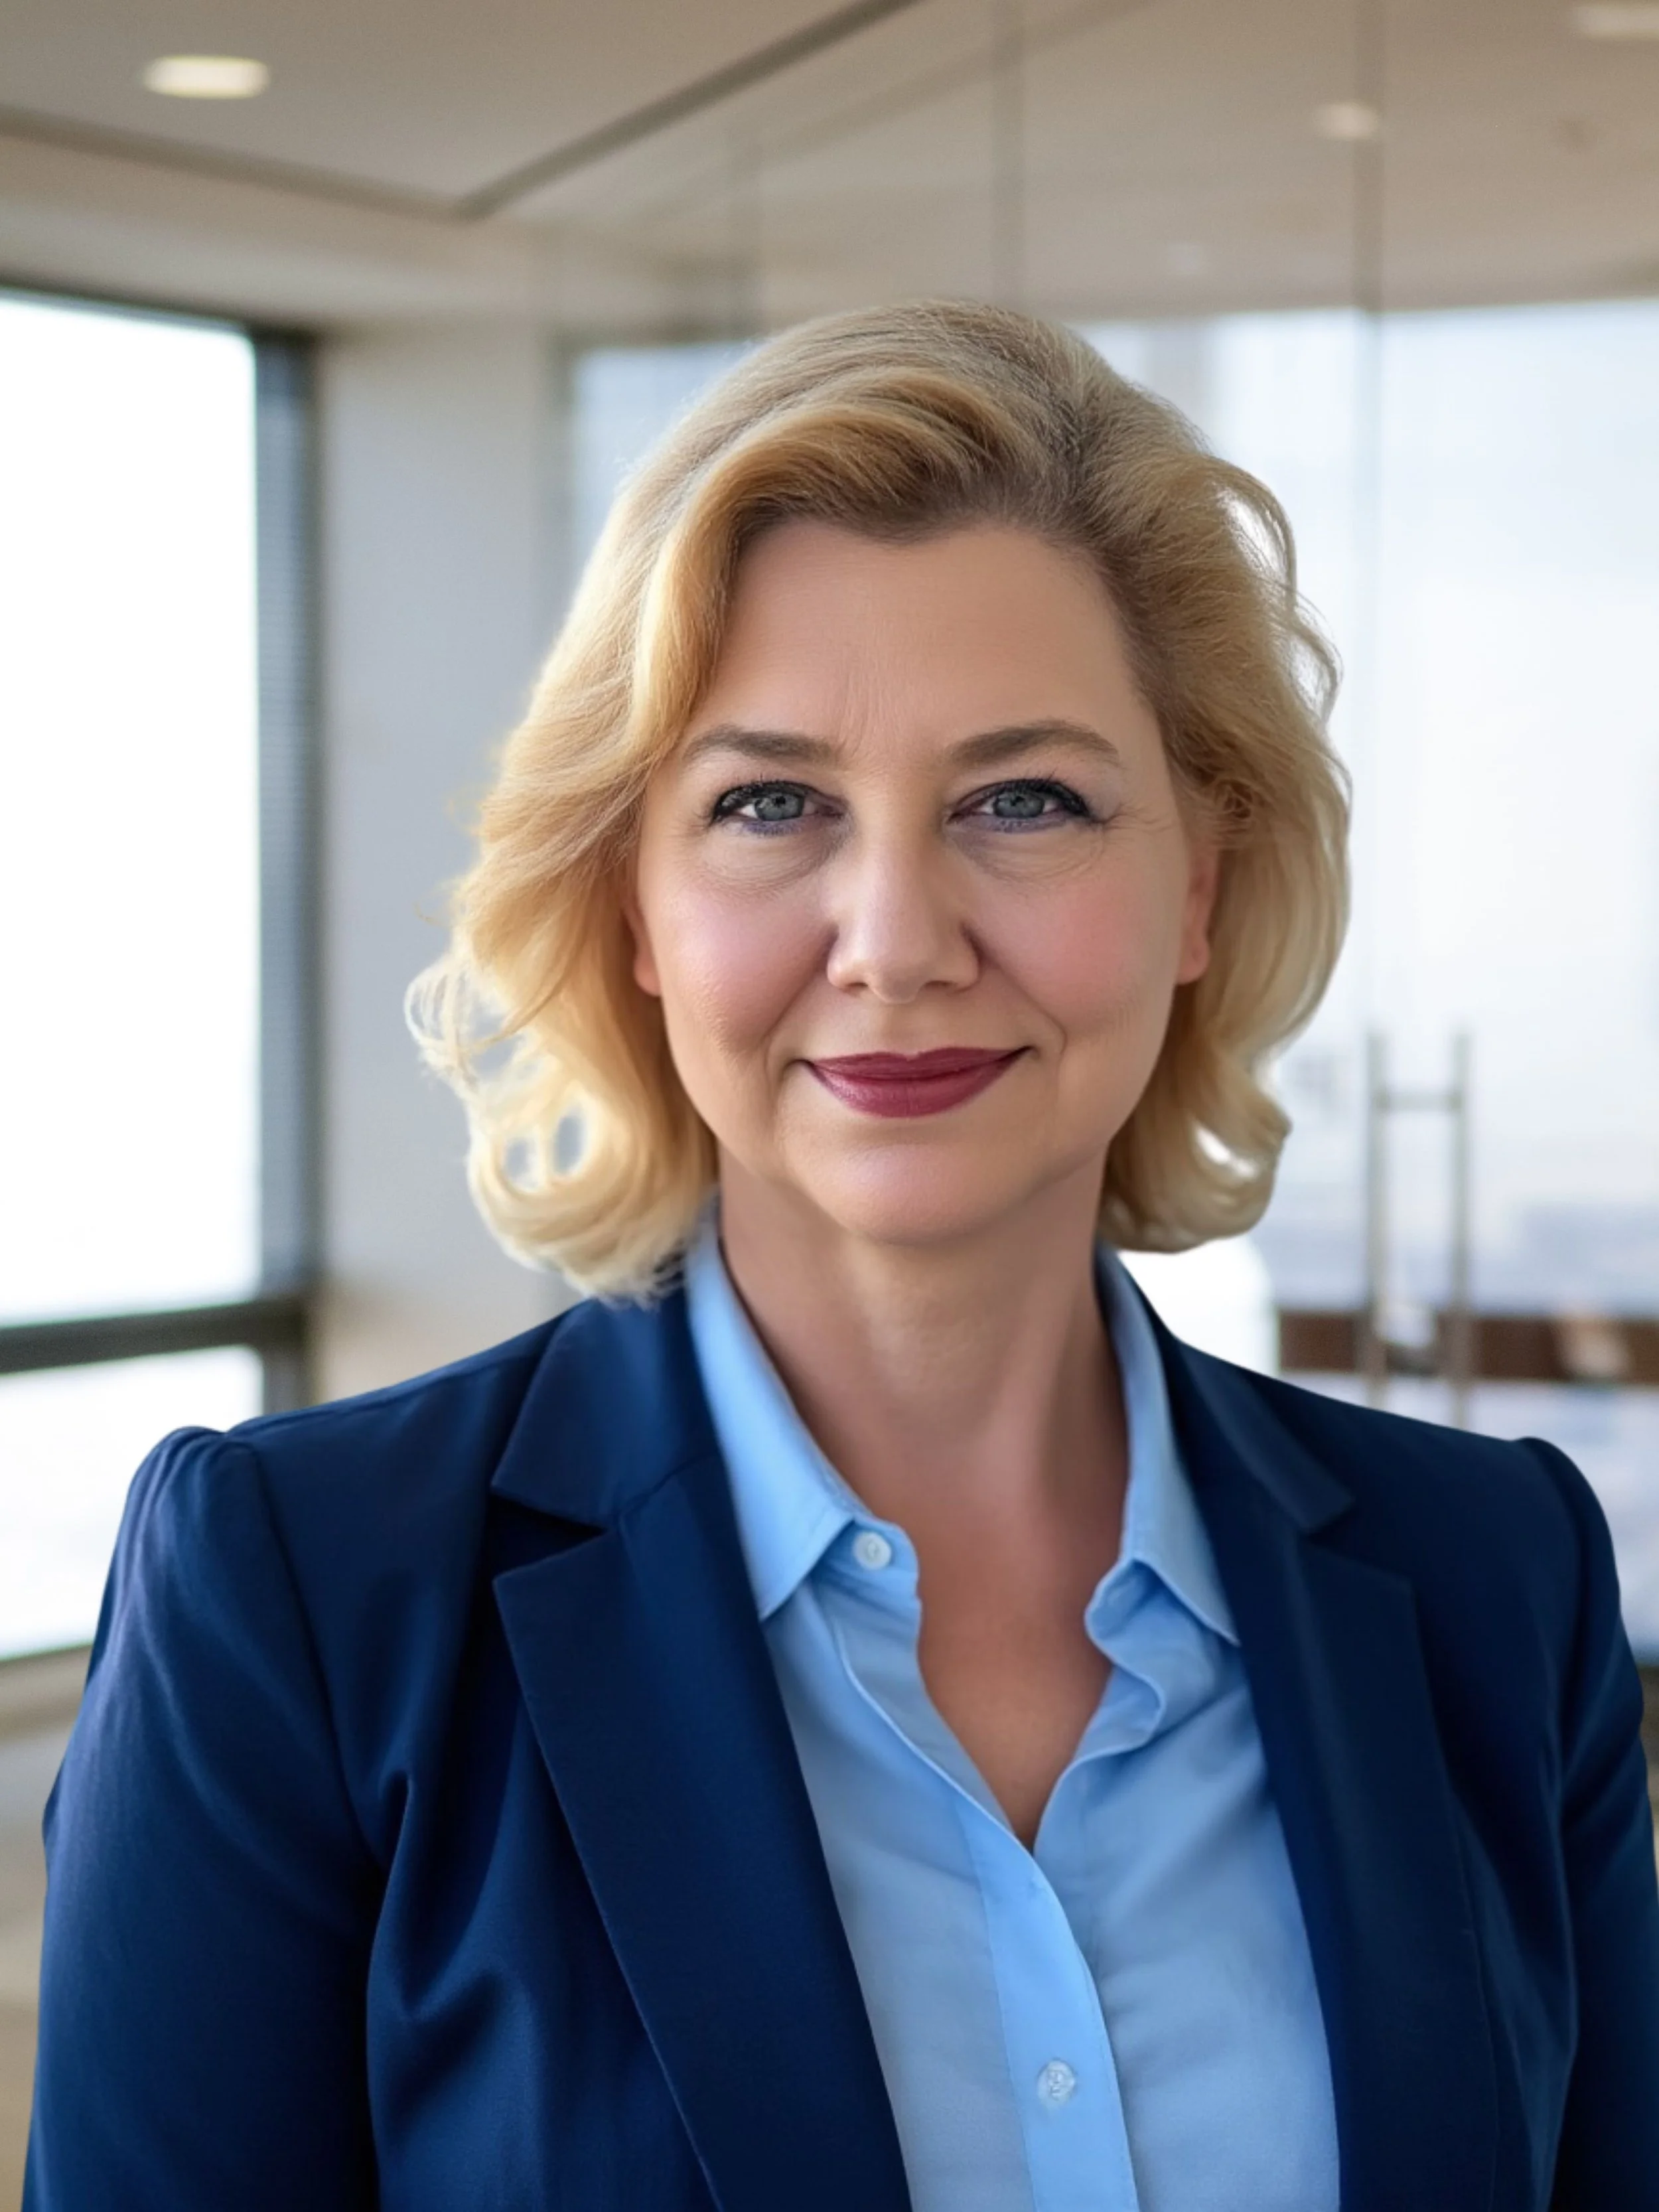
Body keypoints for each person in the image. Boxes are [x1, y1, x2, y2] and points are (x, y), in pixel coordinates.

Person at [26, 302, 1659, 2211]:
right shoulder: (300, 1597)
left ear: (1197, 880)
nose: (892, 935)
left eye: (1022, 800)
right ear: (631, 900)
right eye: (768, 804)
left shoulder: (1491, 1576)